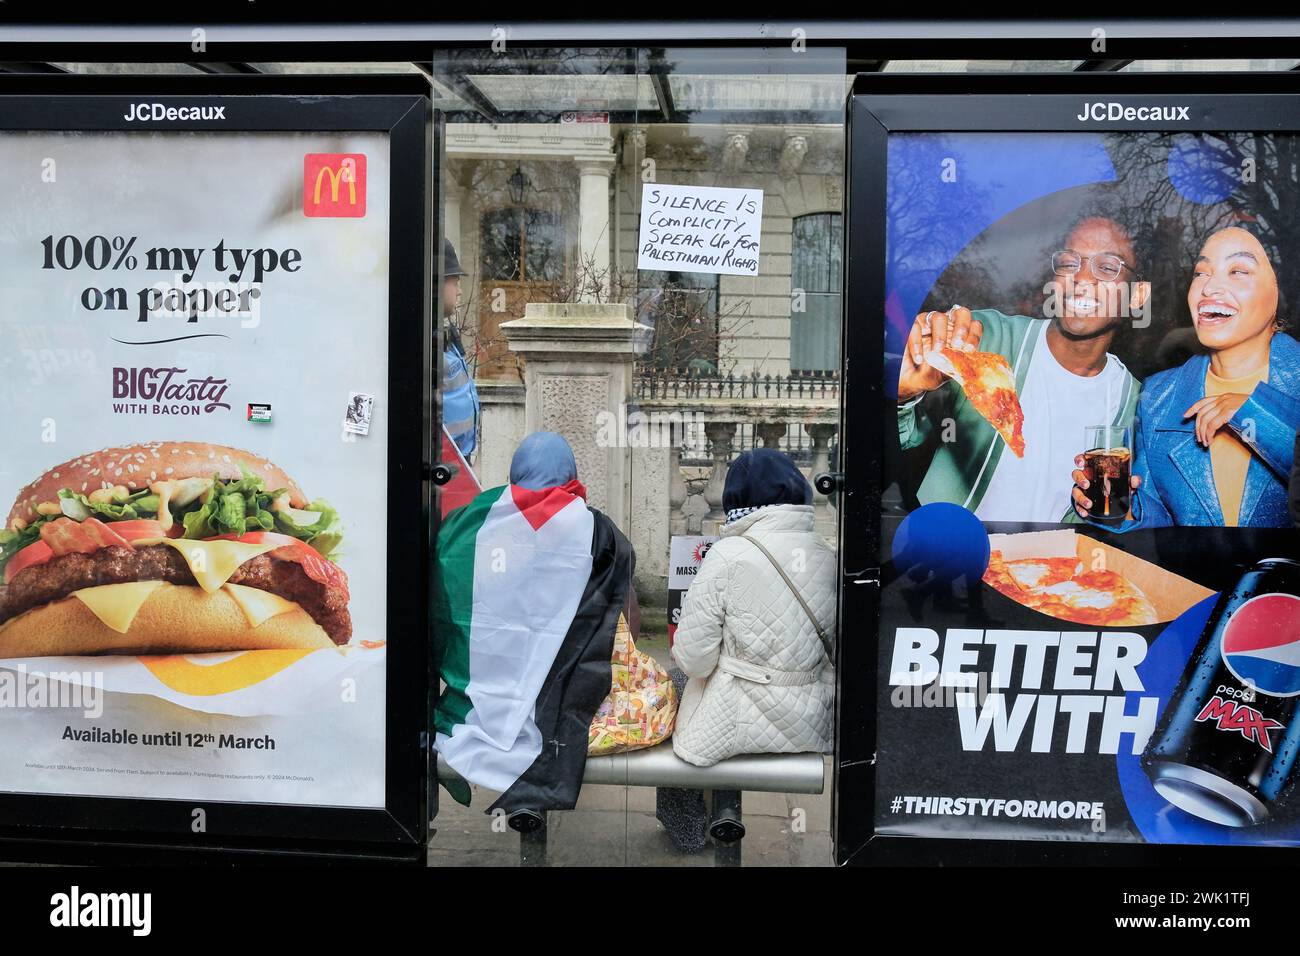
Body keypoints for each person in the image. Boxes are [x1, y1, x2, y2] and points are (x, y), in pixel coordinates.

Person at [433, 432, 633, 821]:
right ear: (570, 475)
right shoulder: (597, 531)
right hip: (559, 705)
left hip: (473, 702)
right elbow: (624, 625)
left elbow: (442, 616)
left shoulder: (466, 524)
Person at [898, 216, 1147, 522]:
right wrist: (902, 394)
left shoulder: (1137, 401)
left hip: (1052, 567)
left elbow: (1117, 515)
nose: (1081, 278)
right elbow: (902, 439)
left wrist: (1122, 514)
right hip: (945, 557)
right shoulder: (984, 339)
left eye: (1108, 267)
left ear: (1137, 297)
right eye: (1069, 263)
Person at [1072, 225, 1300, 528]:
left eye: (1238, 271)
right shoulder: (1158, 397)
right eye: (1201, 273)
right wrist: (1115, 510)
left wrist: (1256, 415)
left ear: (1278, 291)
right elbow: (1158, 527)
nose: (1209, 288)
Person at [671, 448, 837, 767]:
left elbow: (694, 661)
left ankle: (692, 818)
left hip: (732, 719)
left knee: (673, 687)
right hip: (810, 721)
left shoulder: (727, 555)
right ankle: (724, 813)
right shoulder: (826, 554)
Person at [441, 239, 480, 459]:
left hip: (456, 463)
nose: (459, 291)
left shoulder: (445, 335)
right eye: (455, 282)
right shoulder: (425, 343)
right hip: (442, 466)